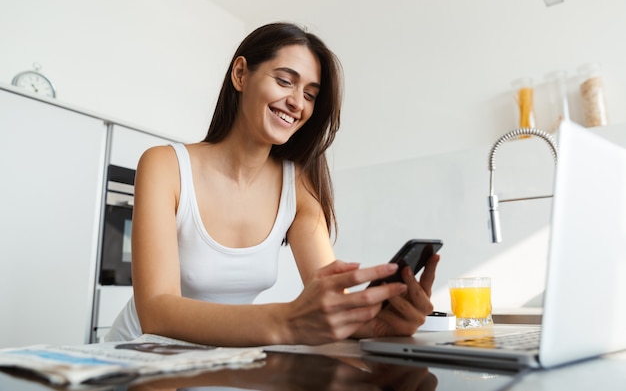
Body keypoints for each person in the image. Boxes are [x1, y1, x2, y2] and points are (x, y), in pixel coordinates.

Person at [106, 22, 439, 347]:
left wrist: (376, 323)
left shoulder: (298, 184)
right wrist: (286, 320)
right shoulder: (165, 165)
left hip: (218, 366)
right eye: (284, 81)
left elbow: (330, 302)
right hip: (135, 361)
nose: (297, 102)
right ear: (240, 74)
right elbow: (156, 315)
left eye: (310, 94)